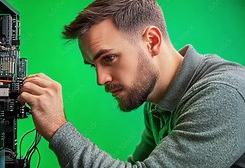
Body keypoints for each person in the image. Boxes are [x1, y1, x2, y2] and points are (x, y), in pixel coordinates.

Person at [18, 0, 245, 167]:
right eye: (93, 66)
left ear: (152, 41)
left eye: (108, 58)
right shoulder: (157, 101)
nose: (101, 79)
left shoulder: (225, 94)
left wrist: (58, 129)